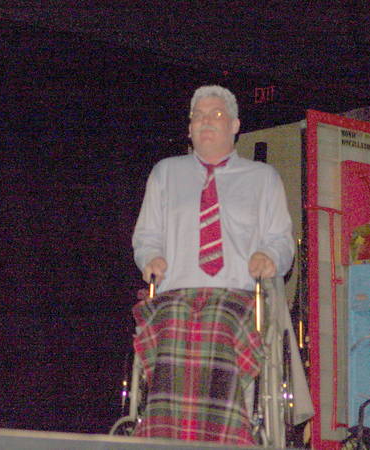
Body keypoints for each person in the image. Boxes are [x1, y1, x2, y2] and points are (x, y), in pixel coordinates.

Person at [131, 85, 295, 445]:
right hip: (176, 294)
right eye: (198, 116)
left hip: (236, 294)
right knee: (174, 321)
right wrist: (150, 257)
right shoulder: (165, 173)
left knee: (219, 323)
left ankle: (224, 436)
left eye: (216, 115)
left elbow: (281, 240)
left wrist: (270, 256)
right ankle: (163, 433)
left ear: (235, 125)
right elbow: (146, 236)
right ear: (189, 128)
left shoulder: (262, 178)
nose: (206, 122)